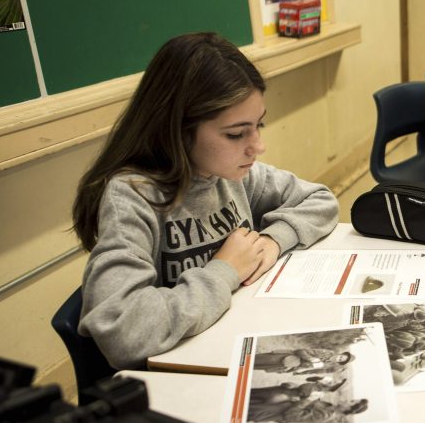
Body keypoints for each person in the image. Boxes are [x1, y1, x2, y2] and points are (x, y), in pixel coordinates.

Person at [72, 32, 339, 370]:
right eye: (235, 134)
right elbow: (124, 331)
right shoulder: (133, 197)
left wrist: (272, 240)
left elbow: (320, 199)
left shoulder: (229, 174)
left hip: (228, 338)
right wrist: (225, 271)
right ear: (178, 130)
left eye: (259, 125)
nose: (257, 146)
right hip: (175, 375)